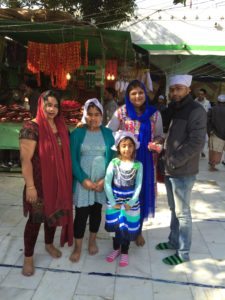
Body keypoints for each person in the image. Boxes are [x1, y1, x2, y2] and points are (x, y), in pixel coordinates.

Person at [19, 90, 73, 276]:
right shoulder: (31, 128)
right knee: (35, 220)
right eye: (48, 105)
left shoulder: (60, 126)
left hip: (57, 184)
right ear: (40, 105)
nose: (52, 109)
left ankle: (49, 244)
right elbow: (25, 160)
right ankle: (28, 257)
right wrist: (31, 187)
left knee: (52, 217)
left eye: (55, 105)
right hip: (39, 185)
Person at [156, 75, 206, 265]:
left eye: (179, 89)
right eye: (172, 89)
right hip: (170, 168)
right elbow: (171, 133)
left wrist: (174, 160)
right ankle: (173, 241)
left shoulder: (196, 110)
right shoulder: (175, 109)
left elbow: (196, 143)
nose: (174, 92)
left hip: (183, 170)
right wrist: (162, 143)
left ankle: (183, 253)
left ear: (188, 89)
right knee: (173, 209)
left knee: (183, 213)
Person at [107, 80, 164, 246]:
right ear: (128, 96)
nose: (137, 96)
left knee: (142, 195)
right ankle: (122, 229)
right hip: (125, 164)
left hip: (146, 163)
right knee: (125, 195)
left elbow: (160, 135)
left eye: (140, 92)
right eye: (133, 93)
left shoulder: (155, 114)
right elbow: (109, 131)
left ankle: (137, 231)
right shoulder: (121, 113)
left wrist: (157, 143)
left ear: (145, 94)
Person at [70, 98, 114, 262]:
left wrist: (104, 180)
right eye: (90, 114)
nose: (93, 118)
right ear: (85, 115)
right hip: (84, 182)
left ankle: (93, 241)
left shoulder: (108, 134)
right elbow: (72, 159)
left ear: (102, 116)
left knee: (96, 213)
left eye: (97, 114)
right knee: (81, 215)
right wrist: (83, 179)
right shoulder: (77, 133)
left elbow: (112, 160)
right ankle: (78, 246)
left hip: (101, 181)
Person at [104, 131, 143, 267]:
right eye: (124, 145)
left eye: (130, 146)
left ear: (134, 147)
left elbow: (138, 185)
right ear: (119, 147)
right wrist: (113, 202)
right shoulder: (114, 163)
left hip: (130, 203)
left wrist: (131, 202)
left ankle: (125, 252)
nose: (127, 149)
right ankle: (116, 249)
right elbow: (107, 183)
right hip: (115, 201)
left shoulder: (138, 165)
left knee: (126, 228)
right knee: (116, 229)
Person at [207, 94, 225, 171]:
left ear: (217, 101)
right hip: (222, 134)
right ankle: (212, 167)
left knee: (213, 149)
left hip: (214, 133)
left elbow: (207, 121)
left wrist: (210, 131)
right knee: (218, 150)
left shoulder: (212, 109)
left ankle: (212, 166)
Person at [195, 88, 211, 157]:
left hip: (204, 123)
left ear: (204, 95)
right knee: (195, 137)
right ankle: (196, 150)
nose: (200, 95)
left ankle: (201, 150)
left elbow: (209, 113)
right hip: (195, 123)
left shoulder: (207, 103)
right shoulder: (194, 101)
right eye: (199, 94)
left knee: (203, 138)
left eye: (202, 94)